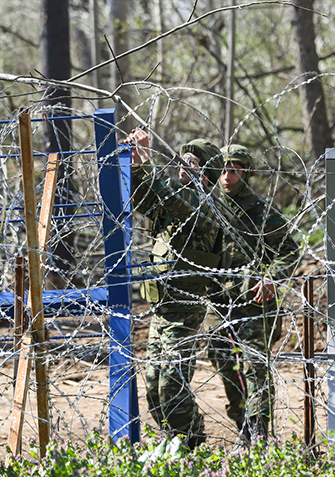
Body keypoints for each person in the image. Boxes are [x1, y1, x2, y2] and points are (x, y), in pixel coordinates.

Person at [125, 129, 223, 448]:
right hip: (162, 309)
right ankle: (179, 440)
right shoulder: (174, 202)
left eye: (192, 163)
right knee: (153, 387)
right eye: (183, 159)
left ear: (206, 175)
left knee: (172, 386)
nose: (183, 165)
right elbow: (144, 197)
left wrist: (146, 157)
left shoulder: (204, 206)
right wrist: (138, 162)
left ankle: (191, 442)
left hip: (185, 312)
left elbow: (169, 197)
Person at [206, 144, 300, 444]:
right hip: (220, 301)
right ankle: (242, 423)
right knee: (222, 359)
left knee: (254, 364)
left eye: (233, 171)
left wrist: (272, 278)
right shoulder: (210, 208)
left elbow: (289, 250)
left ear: (246, 174)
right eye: (223, 170)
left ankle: (259, 428)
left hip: (255, 302)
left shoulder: (261, 212)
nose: (226, 177)